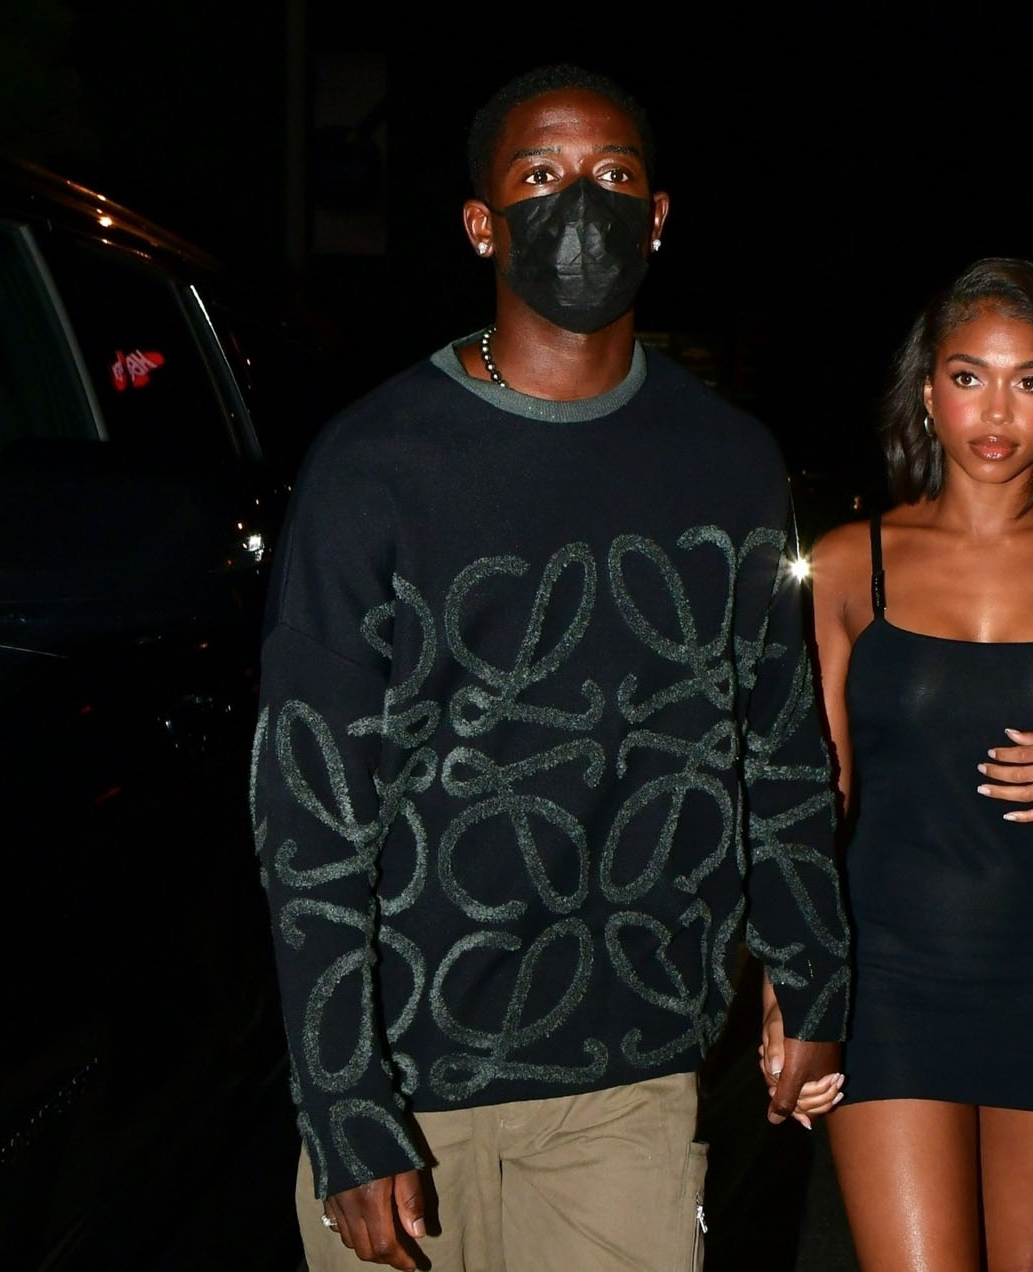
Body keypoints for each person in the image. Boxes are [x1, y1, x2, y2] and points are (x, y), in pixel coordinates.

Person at [252, 64, 848, 1272]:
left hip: (627, 1068)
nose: (580, 205)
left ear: (658, 216)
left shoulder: (728, 461)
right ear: (483, 224)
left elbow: (779, 740)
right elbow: (309, 802)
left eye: (612, 175)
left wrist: (810, 971)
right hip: (407, 1073)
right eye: (539, 176)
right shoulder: (377, 463)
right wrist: (343, 1099)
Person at [777, 258, 1033, 1270]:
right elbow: (815, 798)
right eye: (968, 377)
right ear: (926, 390)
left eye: (1030, 381)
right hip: (889, 972)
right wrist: (794, 972)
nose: (997, 412)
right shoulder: (849, 563)